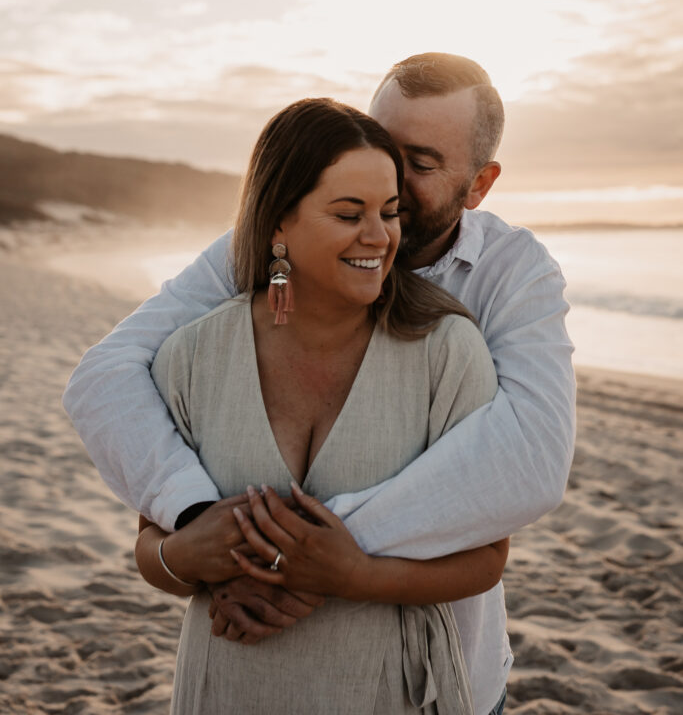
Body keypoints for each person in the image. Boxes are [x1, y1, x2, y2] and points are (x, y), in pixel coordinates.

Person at [64, 52, 575, 715]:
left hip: (430, 682)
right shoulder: (260, 258)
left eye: (416, 165)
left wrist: (317, 559)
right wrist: (194, 523)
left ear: (478, 185)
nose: (384, 173)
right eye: (376, 144)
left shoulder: (506, 278)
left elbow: (529, 462)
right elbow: (106, 375)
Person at [133, 97, 506, 714]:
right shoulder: (193, 355)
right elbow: (150, 542)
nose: (378, 236)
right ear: (279, 220)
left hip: (388, 692)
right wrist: (183, 557)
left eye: (389, 212)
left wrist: (350, 577)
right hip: (227, 689)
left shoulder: (447, 350)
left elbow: (487, 557)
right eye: (347, 213)